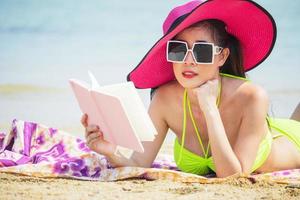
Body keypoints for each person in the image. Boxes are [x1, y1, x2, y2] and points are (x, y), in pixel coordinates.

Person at [81, 0, 300, 178]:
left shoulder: (252, 96)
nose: (188, 60)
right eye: (178, 49)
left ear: (222, 56)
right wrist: (110, 152)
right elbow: (138, 163)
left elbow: (233, 177)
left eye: (201, 51)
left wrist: (210, 109)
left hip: (291, 142)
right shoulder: (164, 98)